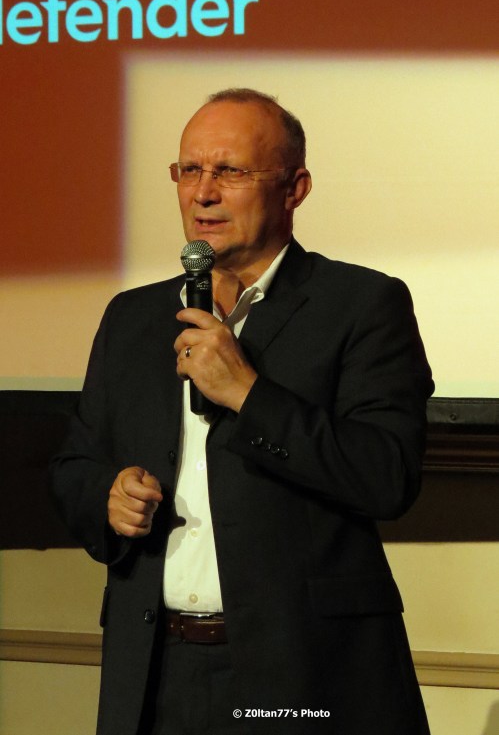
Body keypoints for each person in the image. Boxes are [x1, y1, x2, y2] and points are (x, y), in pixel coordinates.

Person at [51, 88, 434, 735]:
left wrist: (249, 395)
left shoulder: (361, 304)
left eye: (229, 171)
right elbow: (74, 465)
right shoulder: (132, 317)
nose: (203, 193)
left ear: (294, 188)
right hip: (154, 668)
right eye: (189, 170)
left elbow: (385, 474)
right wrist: (105, 496)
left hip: (302, 669)